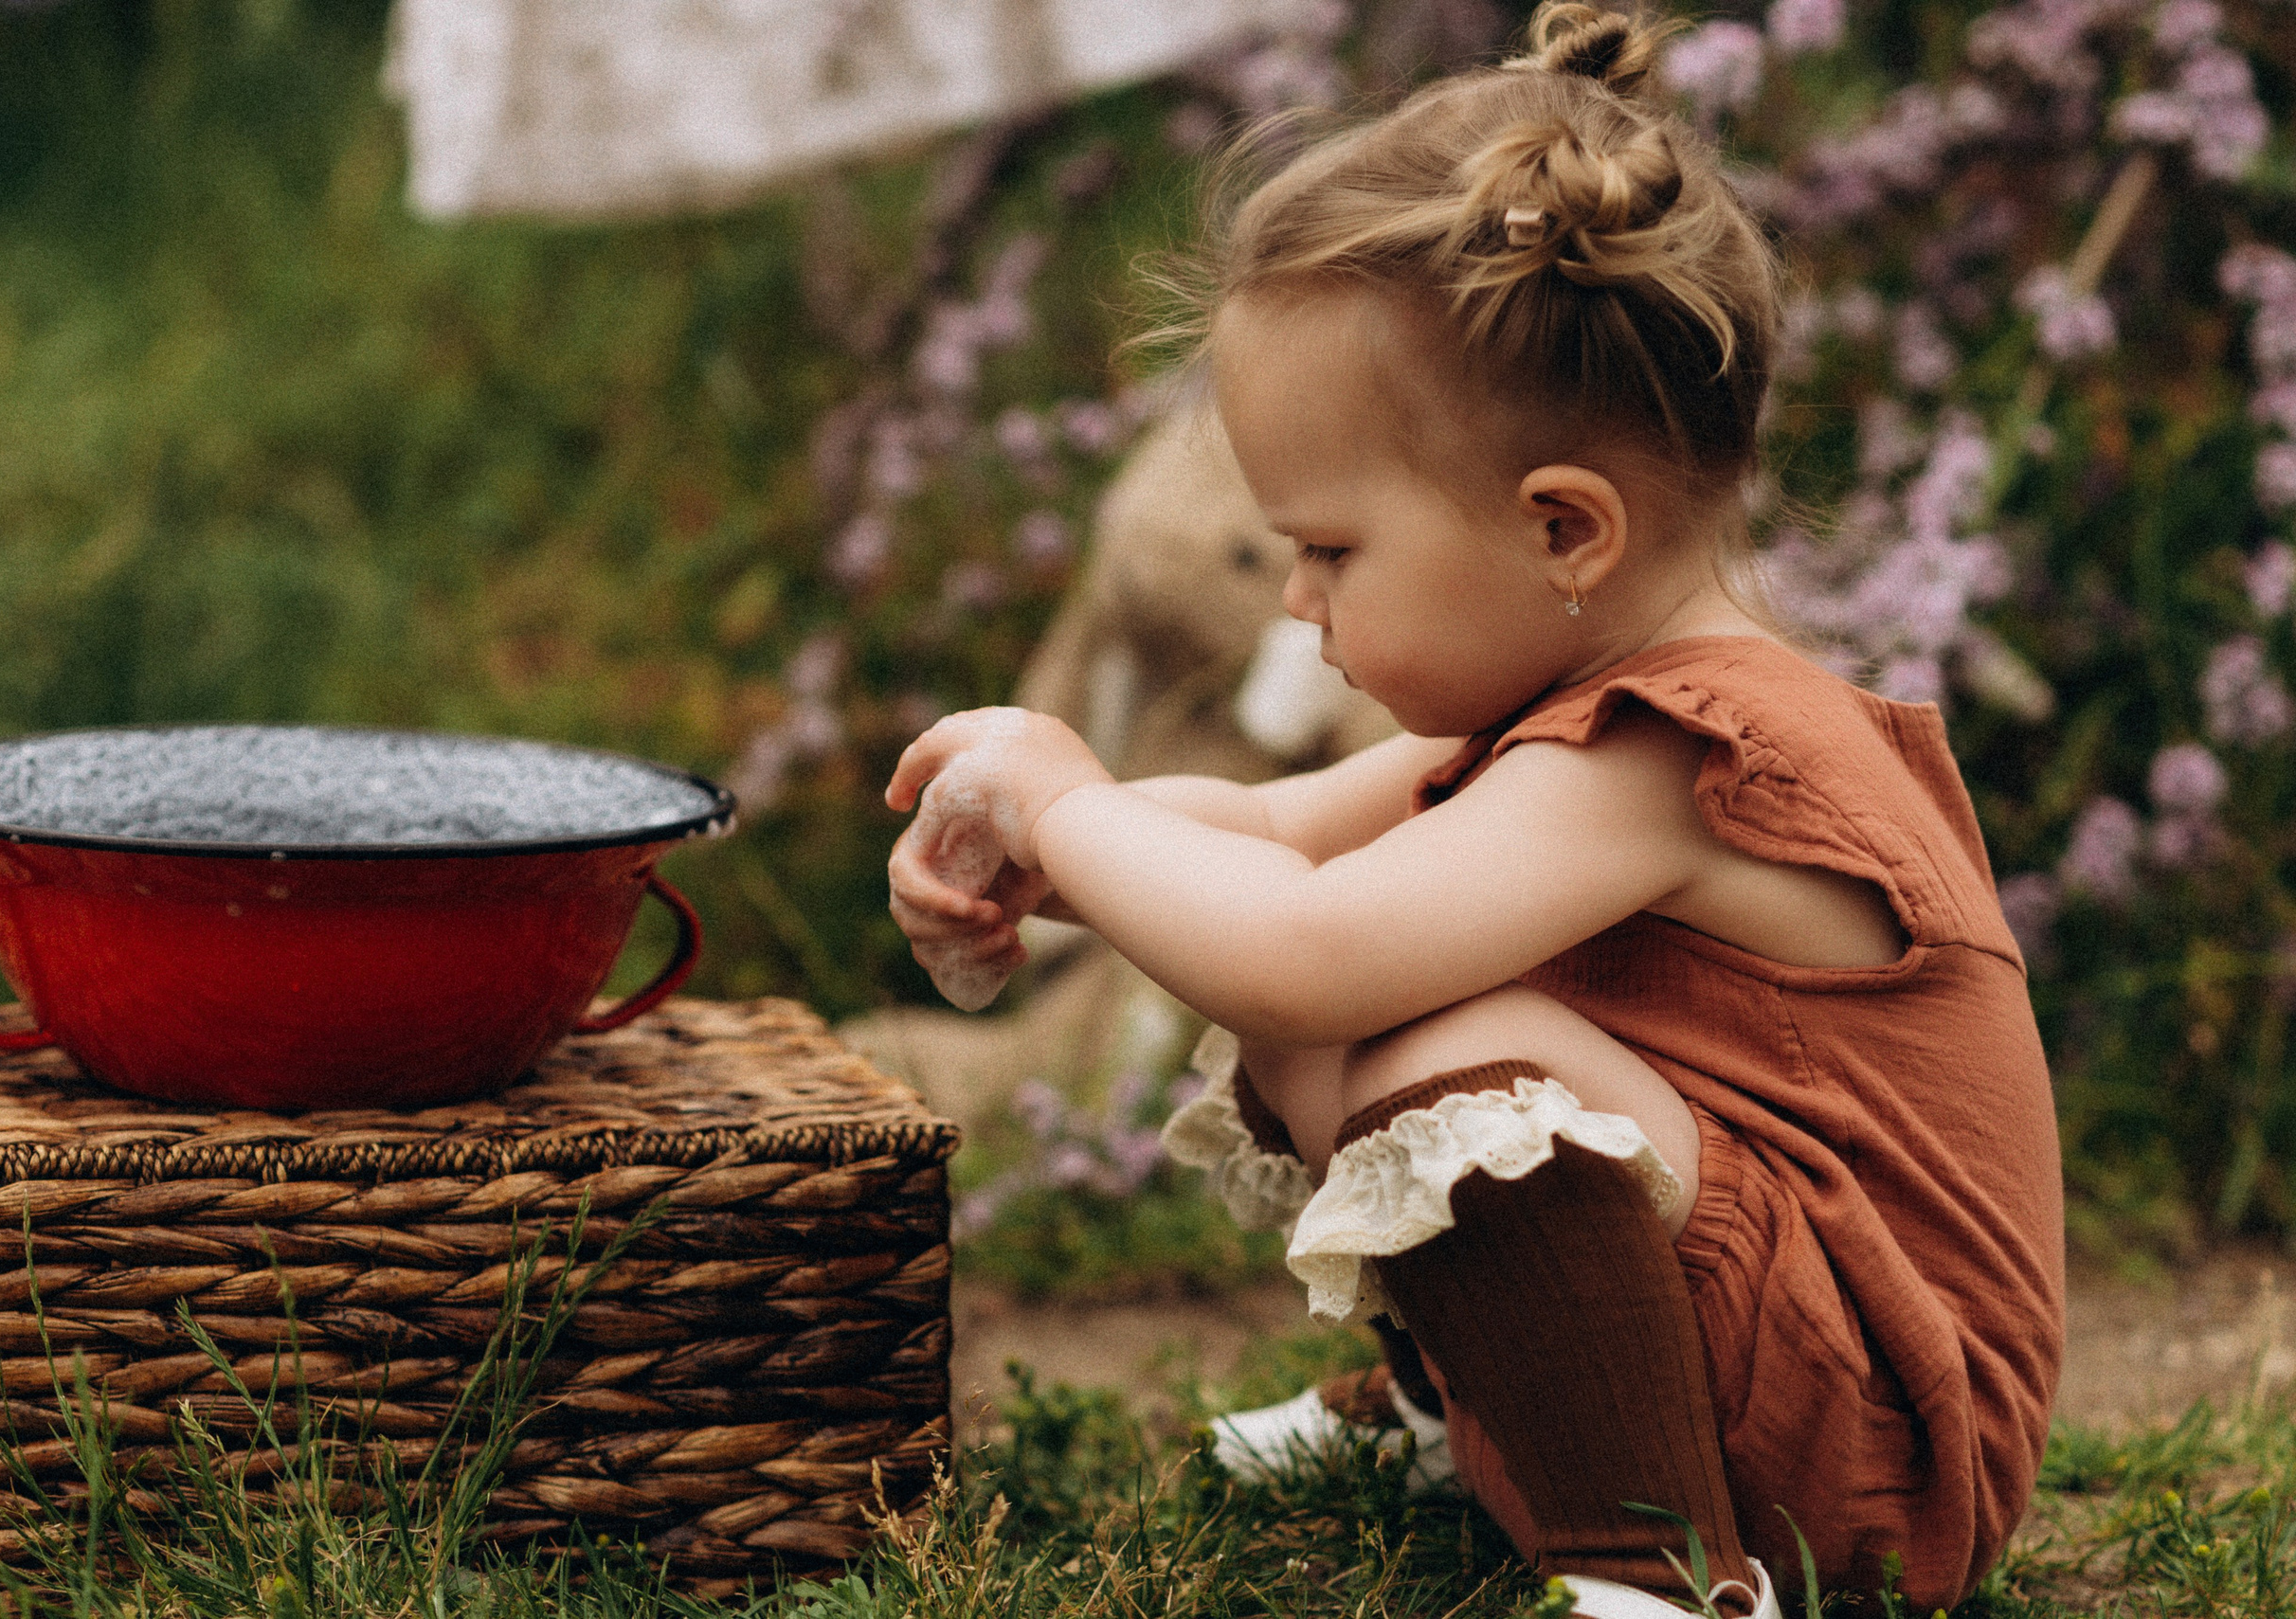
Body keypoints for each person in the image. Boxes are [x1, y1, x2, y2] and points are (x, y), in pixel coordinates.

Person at [883, 7, 2064, 1614]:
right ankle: (1475, 1413)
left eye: (1333, 550)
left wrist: (1074, 801)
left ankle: (1654, 1574)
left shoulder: (1682, 753)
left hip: (1877, 1459)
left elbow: (1306, 944)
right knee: (1341, 1021)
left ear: (1563, 528)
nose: (1297, 600)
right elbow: (1286, 836)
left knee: (1420, 1041)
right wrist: (1036, 848)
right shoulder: (1565, 705)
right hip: (1765, 1368)